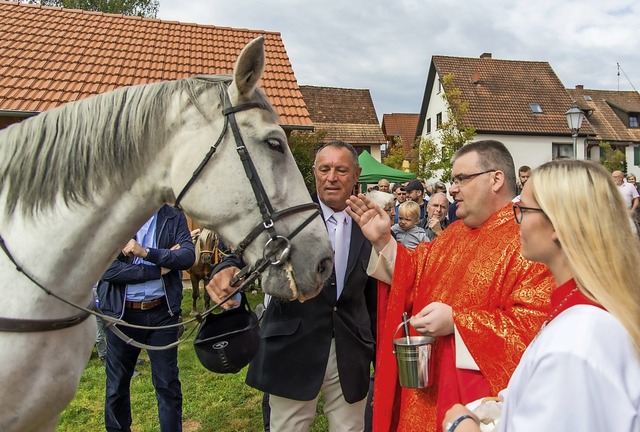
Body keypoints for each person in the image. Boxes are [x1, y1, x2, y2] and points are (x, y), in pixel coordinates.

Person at [346, 140, 554, 431]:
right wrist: (383, 240)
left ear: (495, 179)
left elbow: (531, 328)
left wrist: (458, 322)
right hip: (425, 388)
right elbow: (413, 272)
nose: (452, 188)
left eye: (461, 179)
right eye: (453, 180)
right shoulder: (453, 234)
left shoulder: (527, 239)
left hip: (472, 402)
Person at [442, 159, 640, 432]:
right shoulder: (589, 309)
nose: (517, 221)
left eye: (523, 209)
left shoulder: (574, 344)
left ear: (559, 223)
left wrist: (460, 425)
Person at [207, 141, 377, 432]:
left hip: (350, 351)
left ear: (357, 174)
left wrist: (380, 355)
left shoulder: (369, 220)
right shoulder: (288, 215)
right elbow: (242, 251)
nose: (331, 177)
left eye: (341, 170)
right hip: (293, 348)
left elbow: (373, 295)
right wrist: (226, 269)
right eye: (324, 169)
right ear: (313, 173)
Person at [96, 204, 195, 432]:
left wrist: (146, 253)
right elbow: (106, 269)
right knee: (117, 385)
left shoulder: (173, 216)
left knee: (168, 383)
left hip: (162, 313)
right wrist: (156, 270)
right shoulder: (114, 215)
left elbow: (187, 256)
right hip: (122, 317)